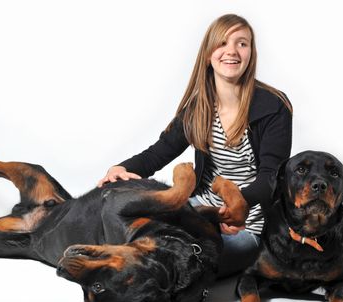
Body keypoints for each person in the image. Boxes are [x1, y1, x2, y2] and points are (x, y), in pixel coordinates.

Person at [97, 14, 293, 277]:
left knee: (184, 259)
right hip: (199, 208)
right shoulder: (198, 108)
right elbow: (159, 152)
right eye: (222, 43)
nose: (231, 51)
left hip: (247, 224)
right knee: (134, 226)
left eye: (242, 43)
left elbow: (271, 178)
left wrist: (239, 204)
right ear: (208, 54)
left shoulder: (274, 106)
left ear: (251, 53)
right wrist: (121, 167)